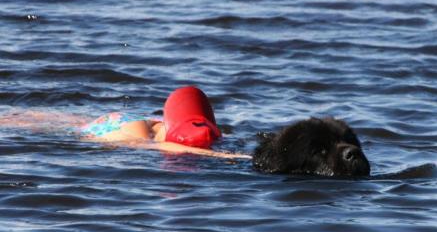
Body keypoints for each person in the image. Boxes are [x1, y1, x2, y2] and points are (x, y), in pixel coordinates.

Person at [0, 86, 250, 159]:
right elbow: (166, 148)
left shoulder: (210, 134)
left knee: (59, 120)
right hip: (117, 127)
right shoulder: (144, 138)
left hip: (144, 122)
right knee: (57, 126)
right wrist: (230, 157)